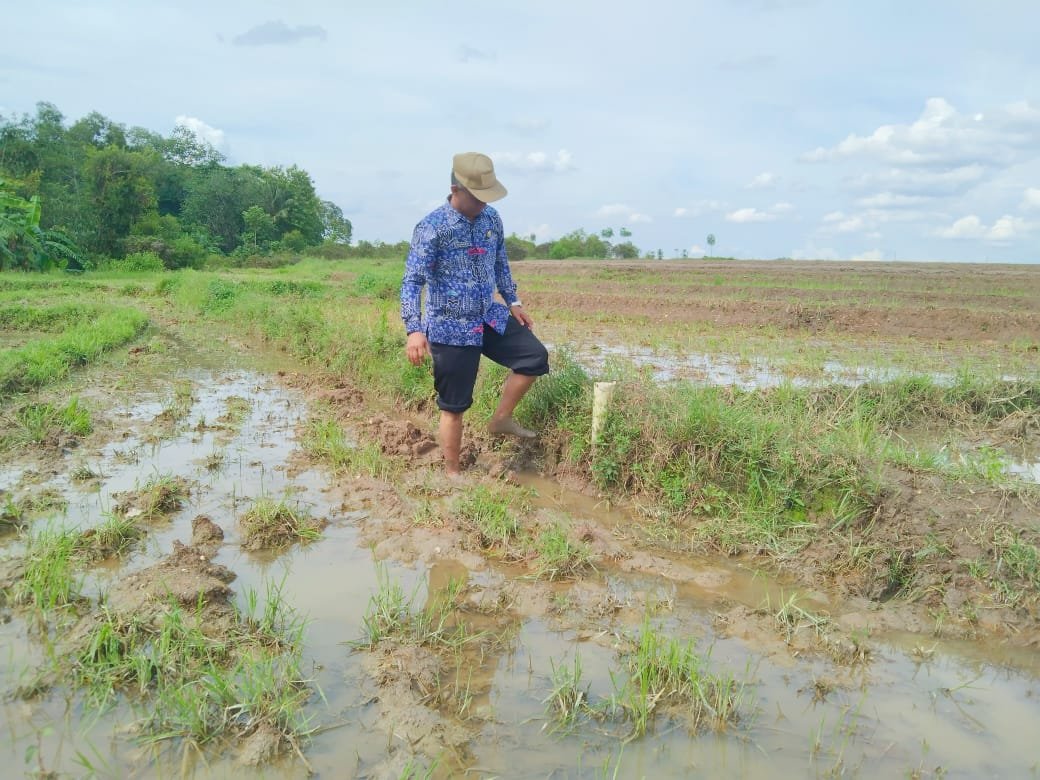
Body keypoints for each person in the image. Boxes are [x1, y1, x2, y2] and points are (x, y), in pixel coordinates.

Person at [401, 152, 549, 478]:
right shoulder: (432, 228)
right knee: (454, 406)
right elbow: (412, 281)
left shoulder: (491, 219)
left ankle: (501, 419)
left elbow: (500, 263)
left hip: (488, 315)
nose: (484, 203)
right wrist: (414, 329)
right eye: (478, 196)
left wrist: (513, 301)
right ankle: (453, 474)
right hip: (450, 326)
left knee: (534, 357)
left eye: (487, 196)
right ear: (456, 189)